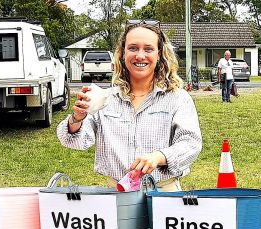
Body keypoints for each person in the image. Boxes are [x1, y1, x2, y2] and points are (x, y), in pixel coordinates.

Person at [56, 19, 202, 192]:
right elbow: (74, 142)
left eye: (148, 49)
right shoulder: (105, 99)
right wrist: (77, 118)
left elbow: (191, 143)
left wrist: (159, 156)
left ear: (159, 54)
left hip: (164, 193)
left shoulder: (177, 98)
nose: (140, 55)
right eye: (133, 48)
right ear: (123, 53)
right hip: (117, 193)